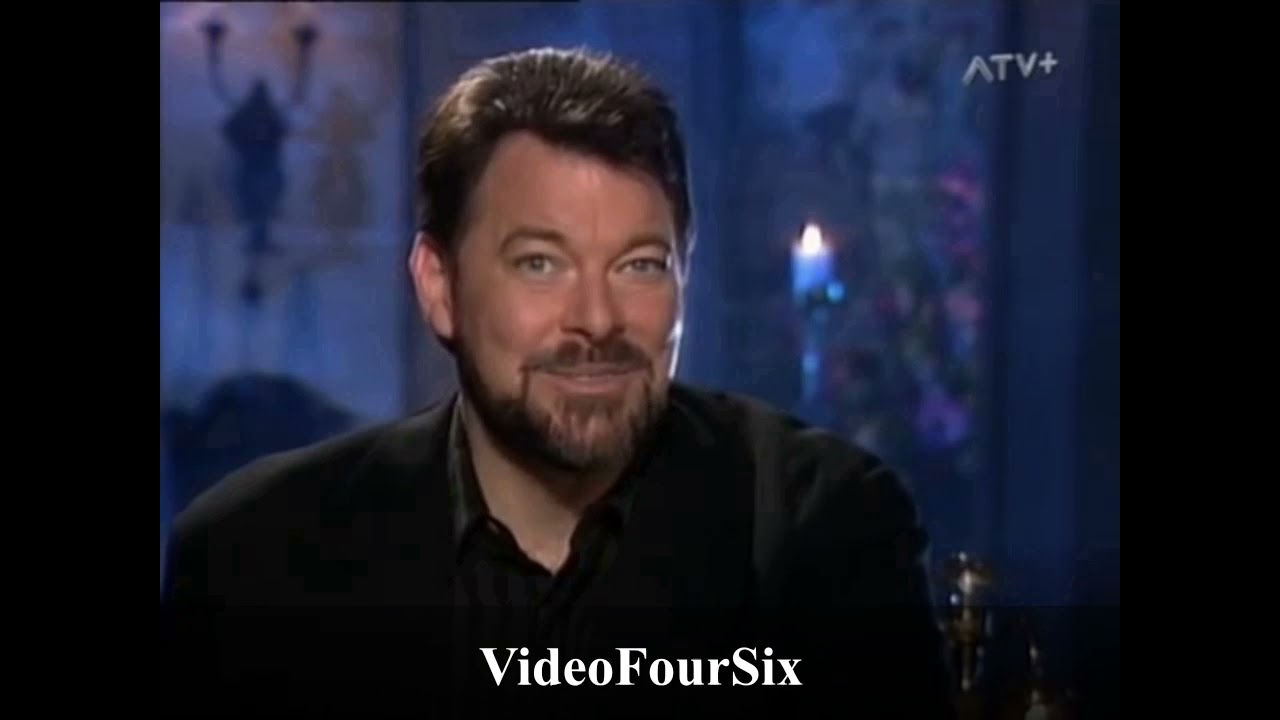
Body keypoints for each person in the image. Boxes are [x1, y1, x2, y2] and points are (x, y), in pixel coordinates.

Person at [161, 47, 955, 718]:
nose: (598, 320)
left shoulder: (823, 533)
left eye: (640, 265)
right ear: (439, 286)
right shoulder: (256, 556)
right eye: (540, 263)